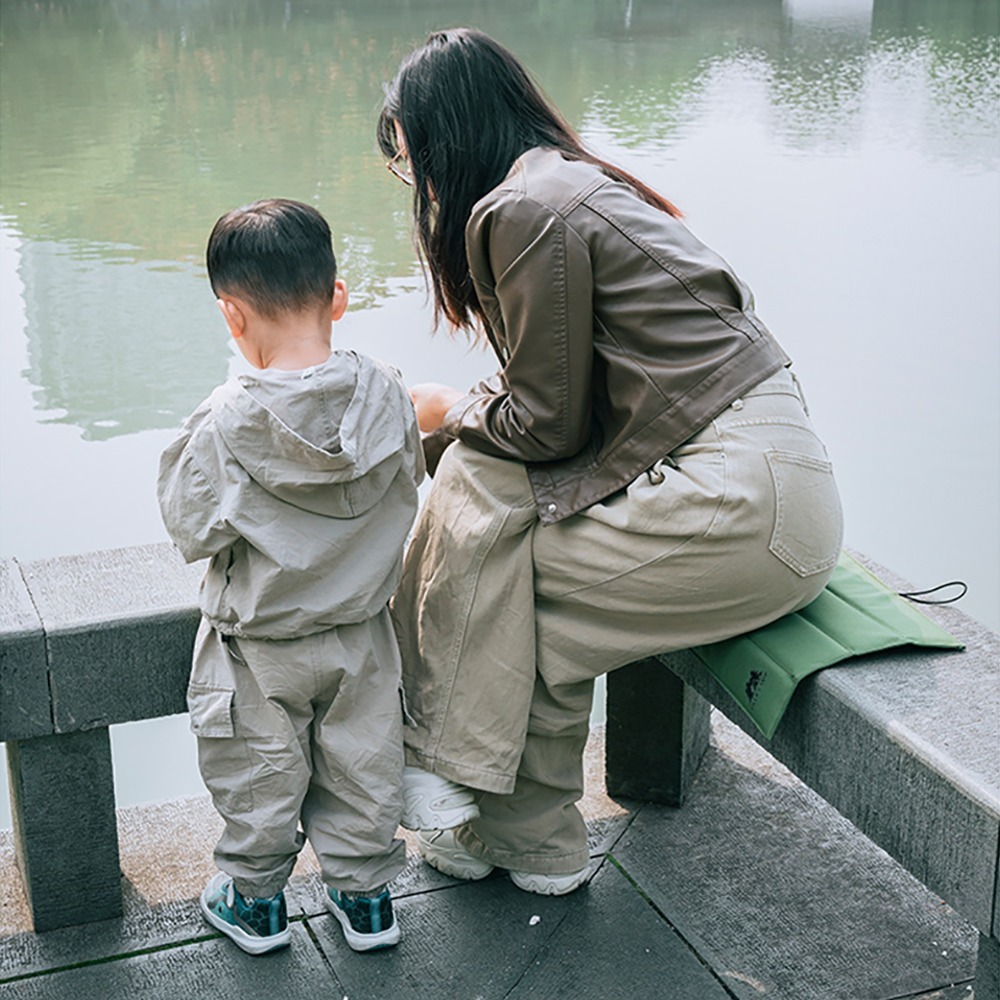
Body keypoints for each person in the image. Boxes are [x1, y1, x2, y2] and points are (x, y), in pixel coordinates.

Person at [378, 29, 844, 896]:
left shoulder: (519, 209)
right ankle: (521, 838)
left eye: (413, 163)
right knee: (515, 581)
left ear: (447, 139)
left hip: (739, 502)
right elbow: (563, 401)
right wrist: (455, 428)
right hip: (768, 485)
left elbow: (545, 426)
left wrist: (443, 416)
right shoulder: (568, 184)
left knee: (499, 570)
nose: (422, 188)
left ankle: (459, 781)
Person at [157, 199, 423, 953]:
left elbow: (191, 526)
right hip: (362, 637)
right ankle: (368, 902)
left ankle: (256, 905)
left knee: (258, 777)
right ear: (337, 295)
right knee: (365, 768)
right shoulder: (388, 394)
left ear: (232, 317)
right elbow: (408, 483)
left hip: (259, 647)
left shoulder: (221, 422)